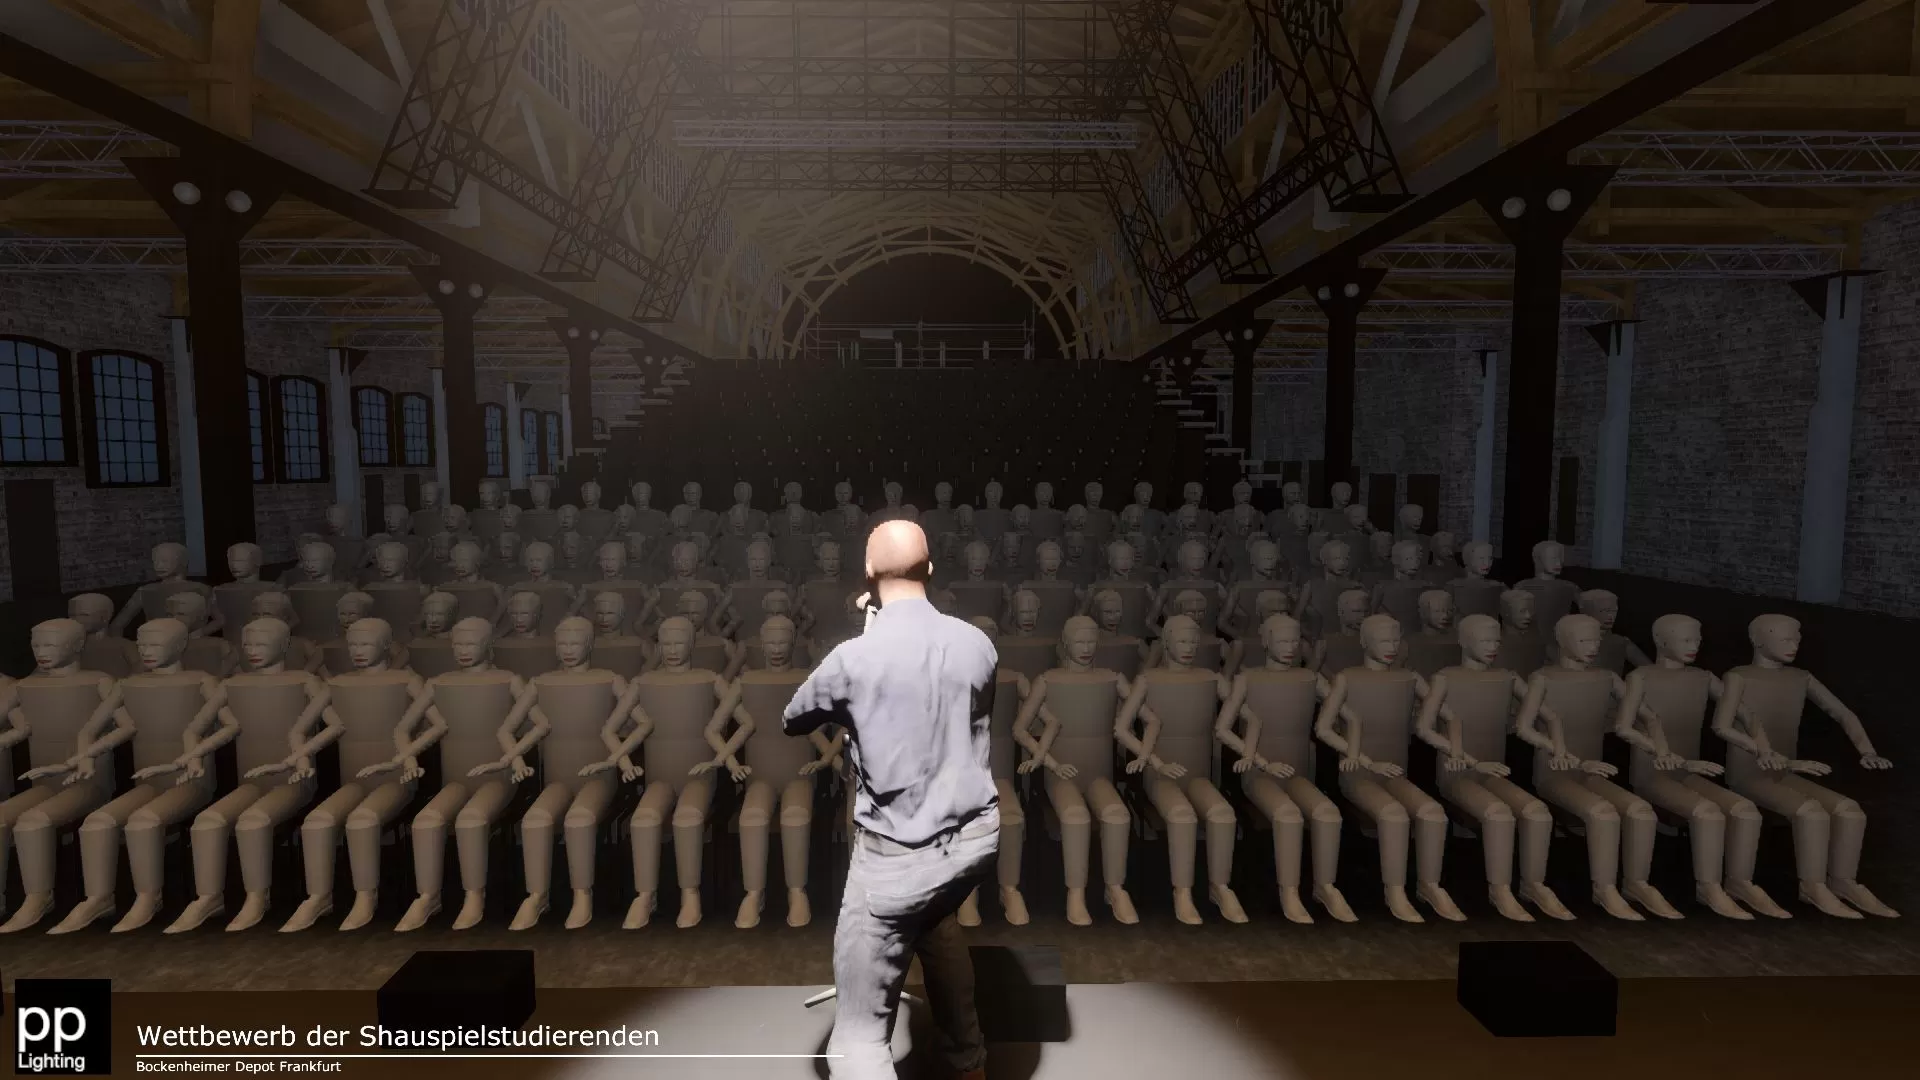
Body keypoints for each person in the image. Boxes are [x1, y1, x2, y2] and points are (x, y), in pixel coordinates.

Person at [784, 519, 1000, 1080]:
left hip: (899, 858)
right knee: (937, 921)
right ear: (930, 570)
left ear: (867, 573)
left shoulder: (855, 658)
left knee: (856, 1037)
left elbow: (796, 716)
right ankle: (968, 1060)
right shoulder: (978, 642)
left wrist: (866, 637)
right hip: (975, 842)